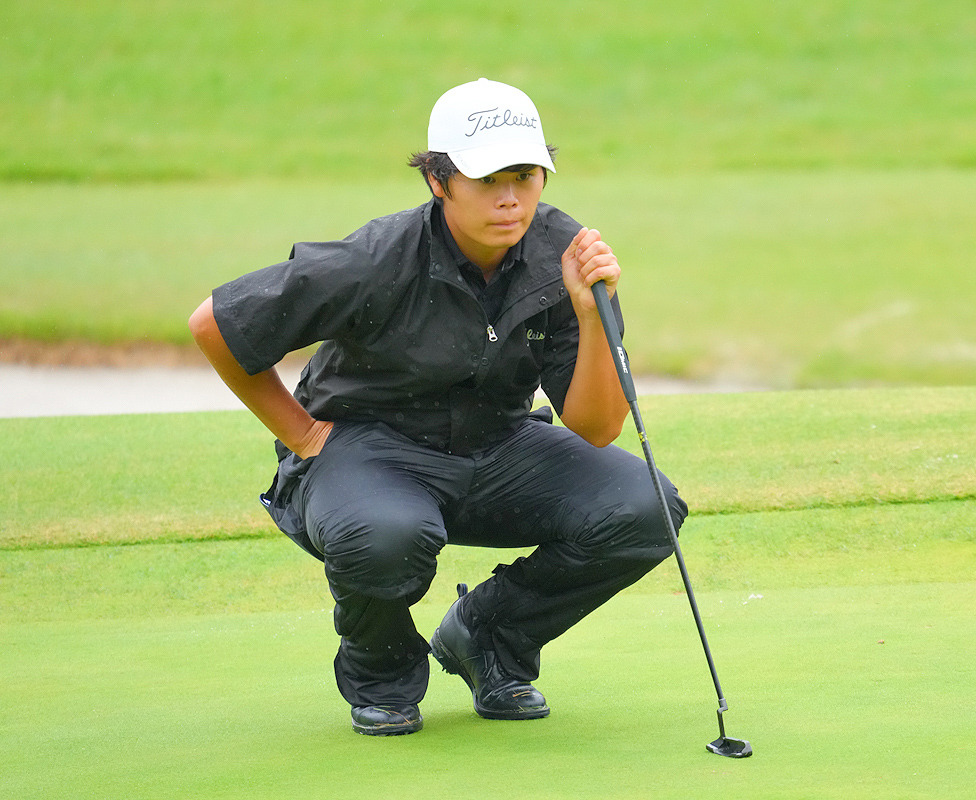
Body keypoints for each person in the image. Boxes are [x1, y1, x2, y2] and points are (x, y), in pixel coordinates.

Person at [187, 78, 687, 736]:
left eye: (525, 176)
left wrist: (593, 313)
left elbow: (597, 426)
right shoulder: (376, 259)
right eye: (487, 180)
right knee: (385, 535)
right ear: (438, 181)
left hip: (501, 447)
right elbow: (214, 324)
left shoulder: (564, 255)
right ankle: (383, 675)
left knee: (647, 506)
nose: (510, 199)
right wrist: (303, 436)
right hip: (368, 453)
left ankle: (488, 638)